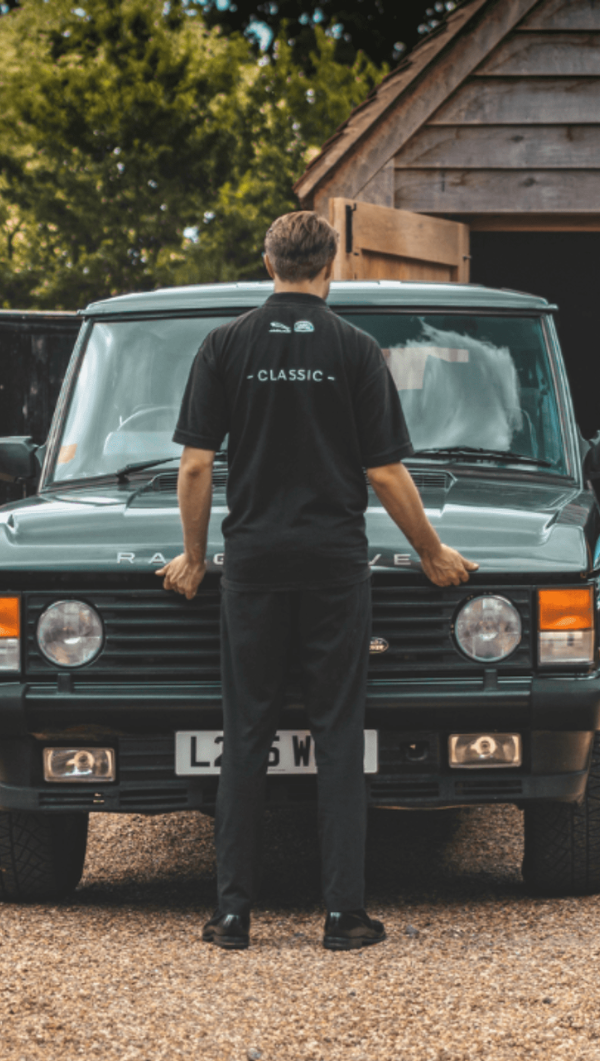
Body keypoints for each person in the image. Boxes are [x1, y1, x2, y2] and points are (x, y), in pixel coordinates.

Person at [157, 211, 478, 952]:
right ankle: (344, 916)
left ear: (269, 262)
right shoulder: (356, 349)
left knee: (246, 734)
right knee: (338, 734)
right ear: (329, 262)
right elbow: (384, 472)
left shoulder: (225, 344)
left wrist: (195, 556)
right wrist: (431, 551)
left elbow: (196, 465)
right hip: (335, 566)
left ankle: (232, 916)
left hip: (256, 566)